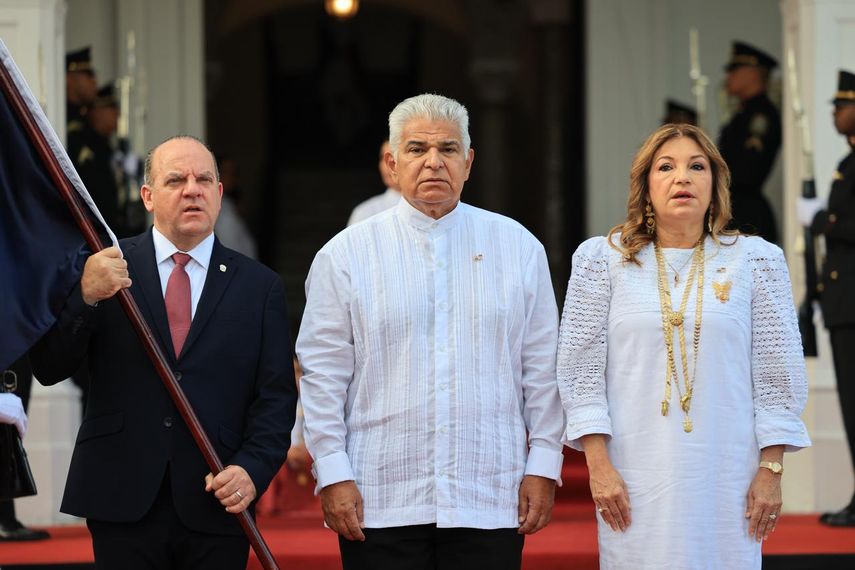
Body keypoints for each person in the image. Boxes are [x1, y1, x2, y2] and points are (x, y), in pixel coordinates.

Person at [297, 93, 564, 570]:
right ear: (392, 161)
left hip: (488, 489)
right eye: (417, 149)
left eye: (448, 148)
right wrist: (332, 473)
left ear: (469, 161)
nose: (434, 162)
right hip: (380, 492)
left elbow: (542, 367)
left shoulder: (519, 247)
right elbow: (323, 374)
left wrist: (544, 464)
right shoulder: (345, 255)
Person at [31, 135, 298, 568]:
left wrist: (251, 469)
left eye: (203, 179)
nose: (192, 189)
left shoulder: (258, 286)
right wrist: (86, 296)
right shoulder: (105, 265)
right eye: (176, 180)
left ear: (219, 192)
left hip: (217, 496)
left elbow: (276, 398)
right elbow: (49, 367)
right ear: (148, 196)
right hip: (122, 493)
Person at [557, 123, 810, 569]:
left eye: (697, 166)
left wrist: (771, 471)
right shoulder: (603, 259)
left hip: (727, 472)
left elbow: (777, 374)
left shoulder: (756, 259)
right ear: (646, 185)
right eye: (666, 167)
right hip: (632, 475)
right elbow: (580, 370)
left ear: (715, 184)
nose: (682, 178)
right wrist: (598, 466)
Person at [799, 69, 855, 527]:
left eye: (843, 104)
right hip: (843, 304)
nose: (836, 112)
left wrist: (822, 222)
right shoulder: (848, 162)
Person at [718, 41, 781, 243]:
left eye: (735, 70)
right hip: (732, 210)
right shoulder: (742, 114)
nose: (729, 77)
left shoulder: (761, 116)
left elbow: (747, 172)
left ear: (753, 73)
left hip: (747, 217)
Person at [0, 358, 50, 542]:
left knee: (13, 428)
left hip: (18, 346)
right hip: (12, 346)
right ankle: (5, 519)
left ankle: (6, 517)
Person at [346, 140, 401, 226]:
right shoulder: (365, 213)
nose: (388, 165)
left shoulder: (427, 209)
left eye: (394, 157)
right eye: (383, 158)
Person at [65, 47, 98, 133]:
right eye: (88, 74)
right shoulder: (63, 114)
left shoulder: (85, 116)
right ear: (68, 79)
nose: (94, 81)